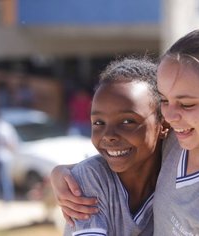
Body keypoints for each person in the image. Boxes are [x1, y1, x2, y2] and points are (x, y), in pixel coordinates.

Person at [51, 29, 199, 235]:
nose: (170, 115)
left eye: (187, 104)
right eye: (164, 100)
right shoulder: (176, 144)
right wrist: (62, 174)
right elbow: (120, 153)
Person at [60, 57, 169, 235]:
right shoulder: (90, 179)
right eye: (98, 122)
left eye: (127, 121)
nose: (109, 136)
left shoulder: (176, 169)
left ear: (164, 125)